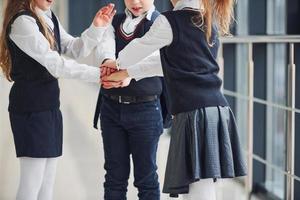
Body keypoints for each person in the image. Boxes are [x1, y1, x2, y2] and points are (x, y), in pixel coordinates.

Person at [101, 0, 247, 199]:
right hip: (214, 110)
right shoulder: (206, 18)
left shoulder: (170, 21)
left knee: (199, 191)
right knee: (203, 188)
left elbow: (137, 50)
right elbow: (165, 63)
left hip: (195, 113)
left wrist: (115, 64)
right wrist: (127, 73)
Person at [0, 0, 115, 199]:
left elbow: (74, 49)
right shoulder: (23, 22)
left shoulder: (49, 16)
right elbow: (56, 65)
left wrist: (96, 28)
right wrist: (100, 75)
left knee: (47, 183)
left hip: (50, 105)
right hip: (30, 108)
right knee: (32, 181)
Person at [92, 0, 171, 199]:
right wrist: (108, 62)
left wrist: (128, 74)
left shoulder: (162, 23)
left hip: (145, 109)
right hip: (111, 109)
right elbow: (105, 45)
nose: (135, 2)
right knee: (114, 178)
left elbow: (155, 57)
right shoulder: (116, 20)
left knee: (146, 179)